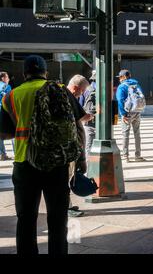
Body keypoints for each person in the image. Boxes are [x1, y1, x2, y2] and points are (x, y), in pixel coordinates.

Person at [1, 55, 84, 254]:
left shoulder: (11, 96)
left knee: (26, 219)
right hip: (57, 162)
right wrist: (80, 160)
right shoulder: (61, 90)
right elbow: (78, 126)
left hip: (25, 164)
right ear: (46, 73)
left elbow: (5, 133)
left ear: (24, 74)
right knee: (58, 219)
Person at [66, 75, 93, 218]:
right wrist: (90, 116)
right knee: (65, 179)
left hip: (66, 148)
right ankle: (66, 208)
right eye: (82, 91)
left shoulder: (65, 97)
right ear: (76, 87)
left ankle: (67, 206)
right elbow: (81, 118)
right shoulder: (68, 96)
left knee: (66, 178)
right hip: (67, 148)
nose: (82, 94)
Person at [116, 69, 145, 163]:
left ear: (124, 77)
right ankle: (138, 155)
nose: (119, 79)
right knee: (137, 134)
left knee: (125, 134)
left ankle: (125, 156)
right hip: (137, 111)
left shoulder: (122, 87)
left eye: (120, 77)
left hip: (127, 113)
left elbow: (120, 100)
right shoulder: (136, 84)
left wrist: (123, 114)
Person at [79, 70, 97, 155]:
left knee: (88, 145)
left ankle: (89, 166)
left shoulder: (87, 90)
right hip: (102, 123)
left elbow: (81, 105)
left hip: (88, 121)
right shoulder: (105, 89)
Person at [0, 72, 12, 161]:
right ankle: (17, 154)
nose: (8, 79)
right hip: (5, 112)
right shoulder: (7, 87)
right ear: (3, 78)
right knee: (13, 133)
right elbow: (9, 100)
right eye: (7, 77)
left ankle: (2, 154)